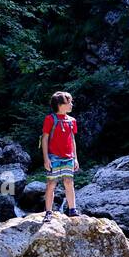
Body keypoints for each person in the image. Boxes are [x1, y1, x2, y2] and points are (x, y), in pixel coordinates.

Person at [41, 91, 81, 219]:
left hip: (68, 157)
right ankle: (48, 212)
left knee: (69, 182)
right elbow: (45, 139)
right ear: (59, 104)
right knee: (51, 183)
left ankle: (72, 210)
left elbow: (72, 140)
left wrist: (75, 158)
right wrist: (46, 158)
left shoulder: (72, 121)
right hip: (53, 157)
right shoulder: (50, 119)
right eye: (68, 102)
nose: (71, 105)